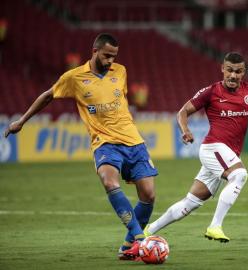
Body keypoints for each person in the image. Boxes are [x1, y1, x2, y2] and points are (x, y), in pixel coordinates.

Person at [3, 33, 156, 261]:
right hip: (104, 143)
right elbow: (47, 96)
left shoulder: (120, 72)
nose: (110, 61)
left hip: (134, 141)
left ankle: (127, 247)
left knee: (149, 195)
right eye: (106, 56)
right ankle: (141, 239)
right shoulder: (74, 77)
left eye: (114, 56)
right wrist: (22, 121)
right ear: (94, 51)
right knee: (109, 181)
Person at [142, 52, 248, 244]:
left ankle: (148, 230)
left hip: (225, 154)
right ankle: (215, 226)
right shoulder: (211, 91)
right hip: (213, 147)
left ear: (244, 72)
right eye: (229, 70)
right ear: (222, 69)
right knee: (239, 175)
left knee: (191, 202)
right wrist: (185, 130)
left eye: (238, 72)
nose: (233, 75)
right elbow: (183, 112)